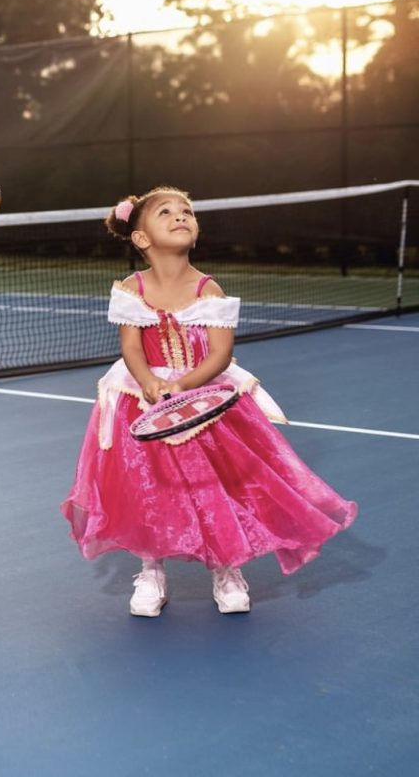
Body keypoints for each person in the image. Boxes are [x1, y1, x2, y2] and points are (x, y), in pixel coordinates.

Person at [60, 187, 357, 616]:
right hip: (139, 400)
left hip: (208, 398)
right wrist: (147, 383)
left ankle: (227, 567)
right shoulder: (131, 287)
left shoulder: (209, 288)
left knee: (222, 484)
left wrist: (184, 387)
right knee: (148, 487)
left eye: (187, 212)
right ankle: (151, 570)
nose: (181, 216)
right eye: (166, 212)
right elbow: (132, 347)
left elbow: (219, 354)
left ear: (195, 231)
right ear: (141, 239)